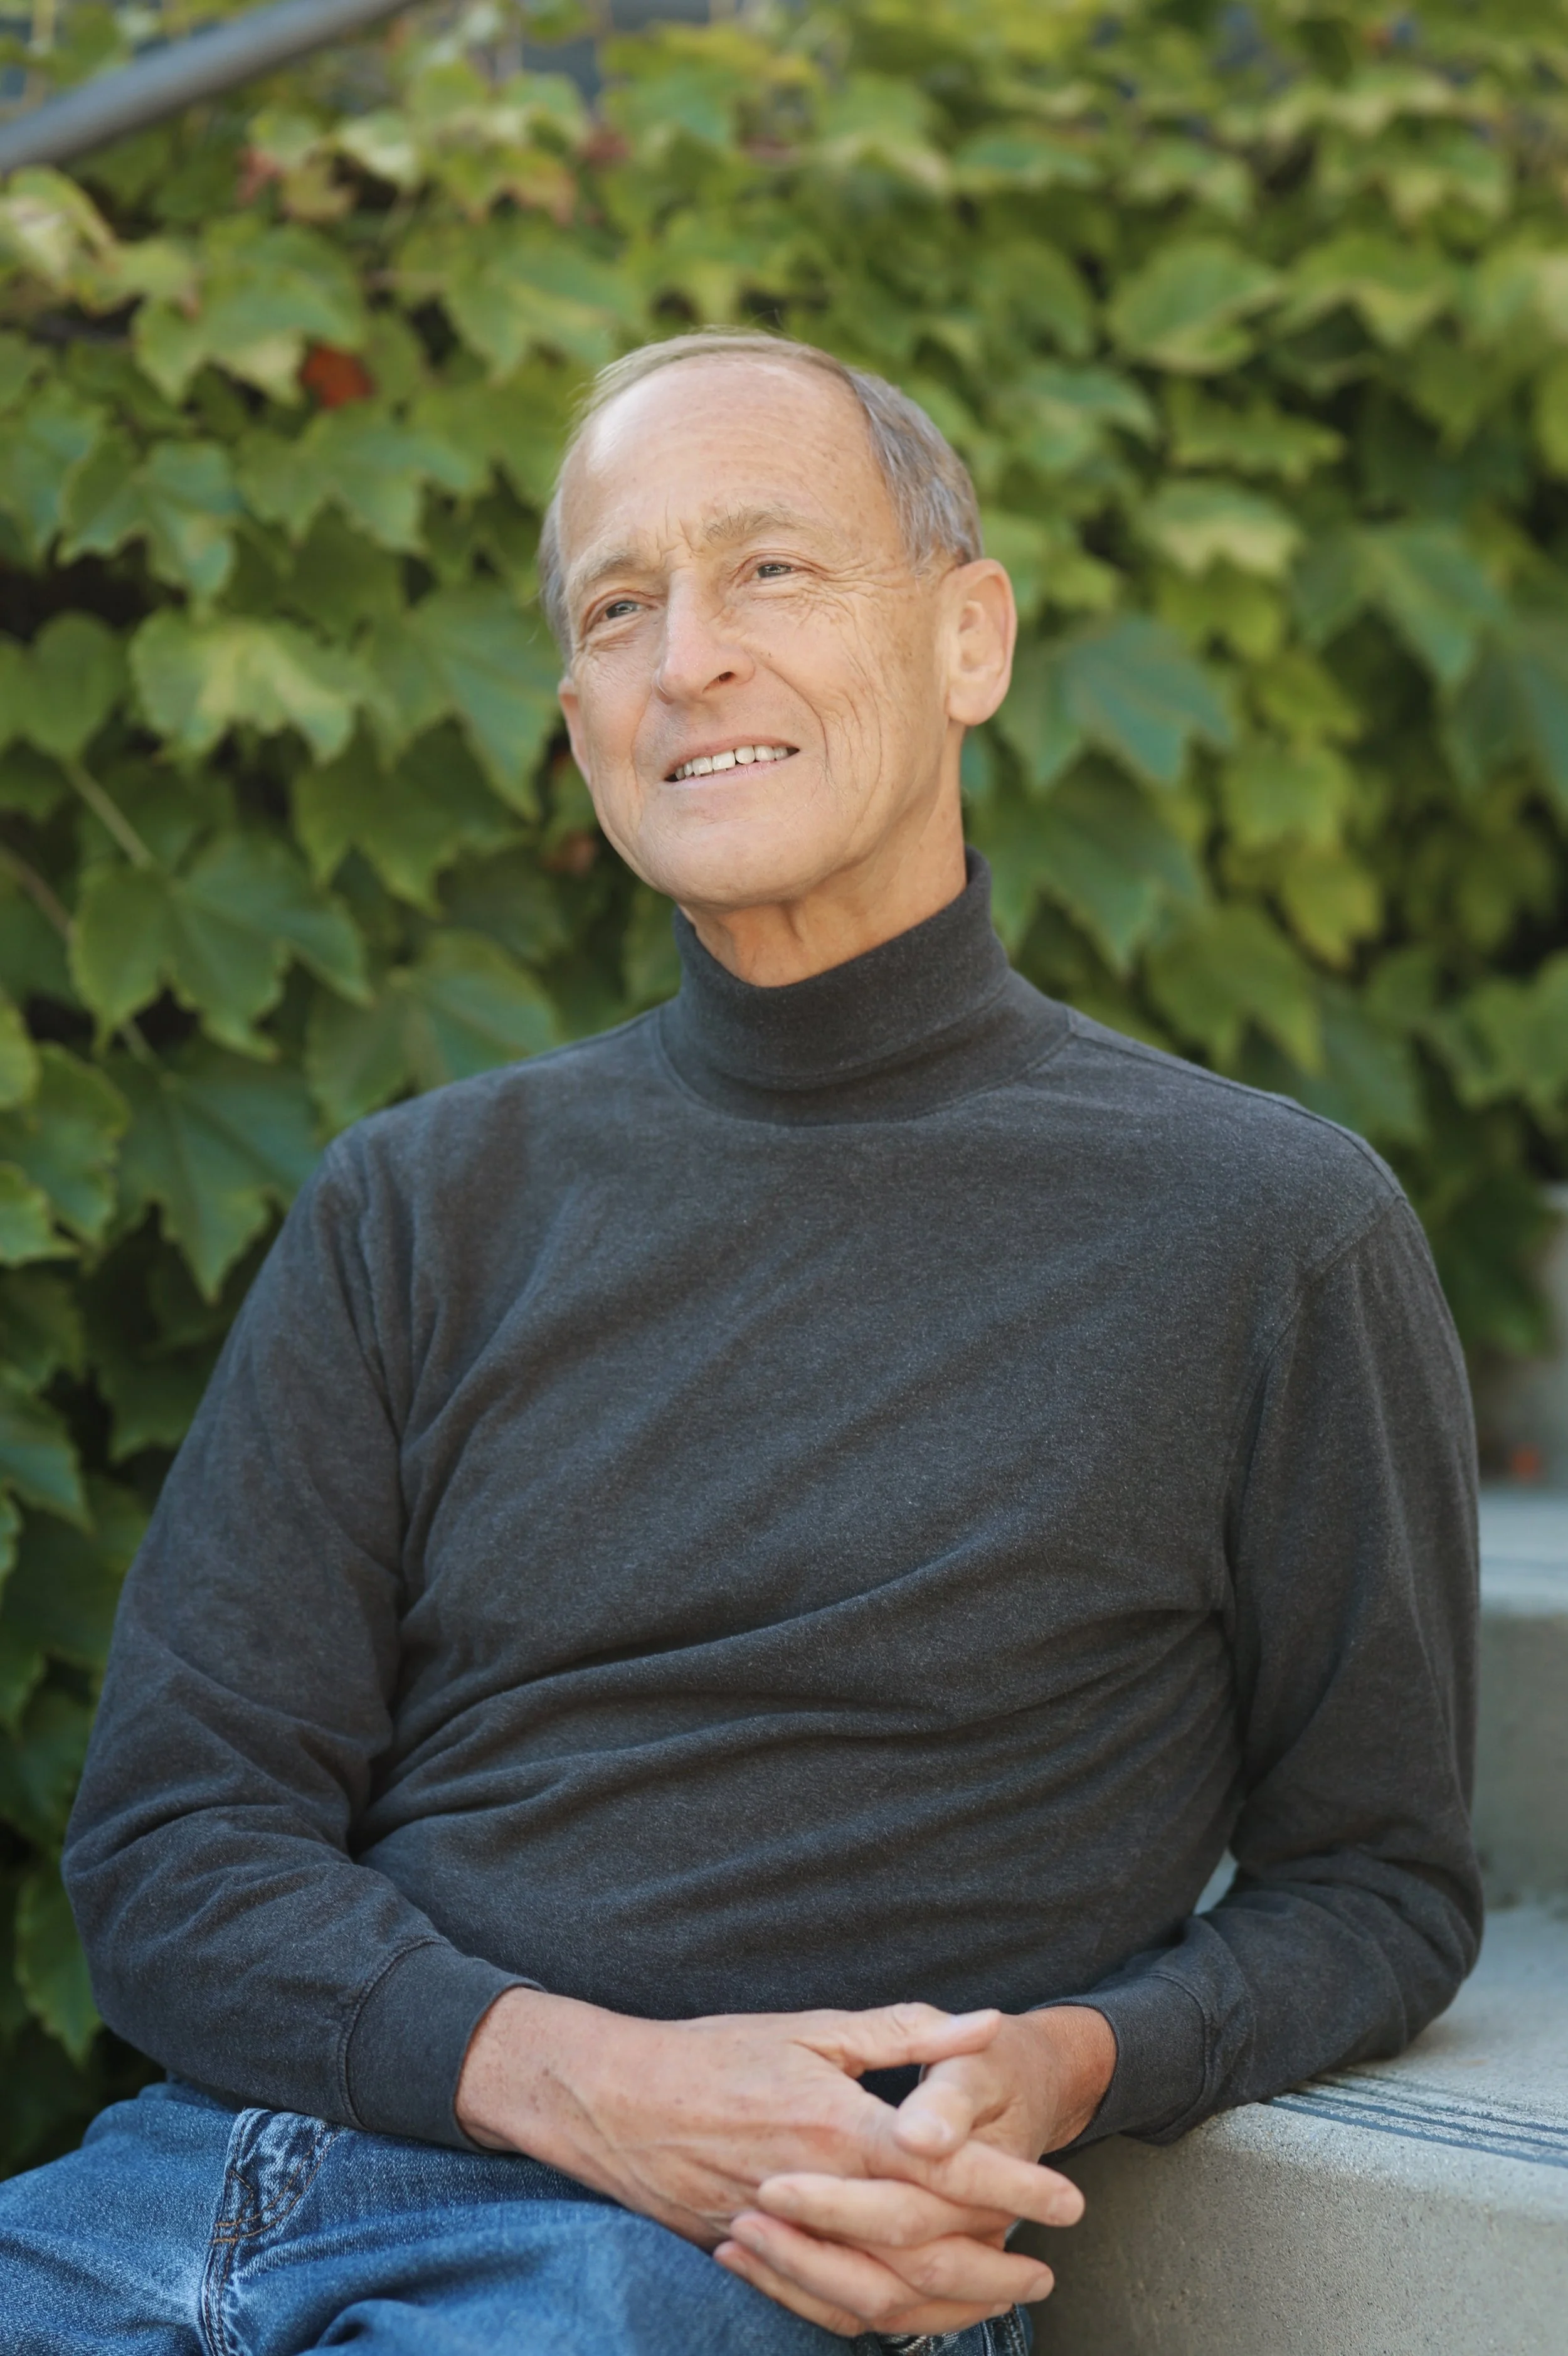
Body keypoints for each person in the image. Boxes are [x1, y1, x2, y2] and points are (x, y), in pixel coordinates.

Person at [0, 330, 1480, 2356]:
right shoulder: (416, 1201)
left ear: (969, 638)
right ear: (580, 719)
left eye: (769, 569)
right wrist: (578, 2078)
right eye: (618, 608)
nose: (686, 657)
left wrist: (1062, 2063)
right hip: (187, 2193)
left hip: (710, 2270)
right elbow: (173, 1847)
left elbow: (1378, 1887)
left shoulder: (1262, 1231)